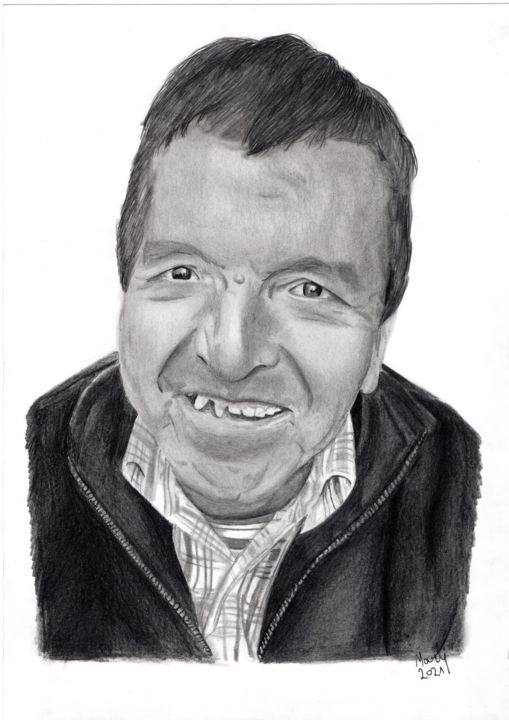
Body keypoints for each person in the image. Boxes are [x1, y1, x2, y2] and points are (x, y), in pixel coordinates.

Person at [27, 34, 481, 663]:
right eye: (183, 273)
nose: (231, 355)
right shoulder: (27, 464)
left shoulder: (466, 484)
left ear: (378, 339)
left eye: (309, 289)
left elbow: (446, 686)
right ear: (126, 290)